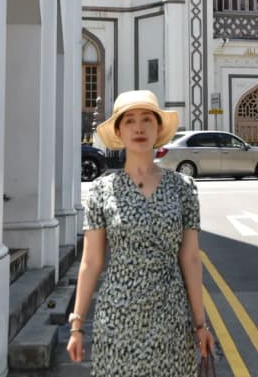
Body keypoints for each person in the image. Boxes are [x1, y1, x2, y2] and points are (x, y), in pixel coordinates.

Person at [67, 90, 215, 375]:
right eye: (130, 120)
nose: (139, 127)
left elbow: (190, 259)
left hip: (171, 321)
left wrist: (200, 324)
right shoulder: (101, 190)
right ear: (119, 132)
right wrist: (77, 325)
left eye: (147, 119)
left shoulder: (183, 188)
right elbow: (91, 261)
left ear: (158, 129)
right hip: (117, 321)